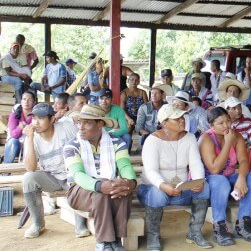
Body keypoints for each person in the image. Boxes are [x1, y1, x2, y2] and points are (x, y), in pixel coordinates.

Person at [62, 104, 137, 251]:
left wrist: (131, 183)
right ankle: (104, 241)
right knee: (103, 188)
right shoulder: (72, 145)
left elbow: (125, 166)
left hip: (107, 188)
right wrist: (99, 185)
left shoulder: (117, 142)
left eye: (87, 122)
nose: (81, 127)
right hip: (79, 192)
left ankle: (115, 240)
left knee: (123, 188)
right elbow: (78, 175)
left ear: (100, 124)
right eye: (79, 122)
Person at [137, 104, 212, 249]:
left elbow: (196, 164)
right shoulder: (152, 140)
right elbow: (151, 171)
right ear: (164, 123)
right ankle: (153, 236)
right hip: (153, 189)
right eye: (176, 119)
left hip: (180, 189)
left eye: (182, 117)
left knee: (205, 188)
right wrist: (163, 185)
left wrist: (198, 181)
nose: (182, 121)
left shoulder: (190, 138)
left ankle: (194, 232)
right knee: (157, 194)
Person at [22, 103, 88, 239]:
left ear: (52, 120)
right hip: (52, 178)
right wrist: (29, 138)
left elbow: (84, 140)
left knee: (77, 177)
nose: (36, 122)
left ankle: (80, 223)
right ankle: (38, 224)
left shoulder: (65, 128)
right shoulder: (32, 138)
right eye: (34, 118)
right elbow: (30, 168)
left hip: (72, 173)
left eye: (40, 118)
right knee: (28, 178)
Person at [200, 107, 251, 245]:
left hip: (228, 177)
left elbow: (244, 161)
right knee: (221, 181)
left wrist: (241, 178)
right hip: (210, 181)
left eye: (228, 120)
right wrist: (227, 143)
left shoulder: (236, 136)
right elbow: (214, 169)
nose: (226, 125)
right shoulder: (206, 138)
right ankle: (219, 227)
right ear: (211, 125)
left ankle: (242, 224)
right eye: (221, 123)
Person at [4, 91, 36, 163]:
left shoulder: (36, 116)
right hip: (15, 146)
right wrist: (20, 128)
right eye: (24, 99)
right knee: (14, 141)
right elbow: (14, 135)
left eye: (29, 100)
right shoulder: (14, 115)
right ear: (21, 101)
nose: (26, 102)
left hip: (30, 145)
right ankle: (6, 170)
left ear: (34, 102)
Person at [120, 73, 148, 143]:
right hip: (128, 116)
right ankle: (128, 147)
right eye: (132, 80)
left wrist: (142, 119)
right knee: (128, 130)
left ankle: (143, 145)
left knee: (144, 131)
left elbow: (147, 107)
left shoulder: (142, 92)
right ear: (128, 81)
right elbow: (122, 109)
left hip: (141, 117)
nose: (134, 82)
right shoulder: (124, 93)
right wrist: (129, 119)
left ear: (138, 82)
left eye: (136, 80)